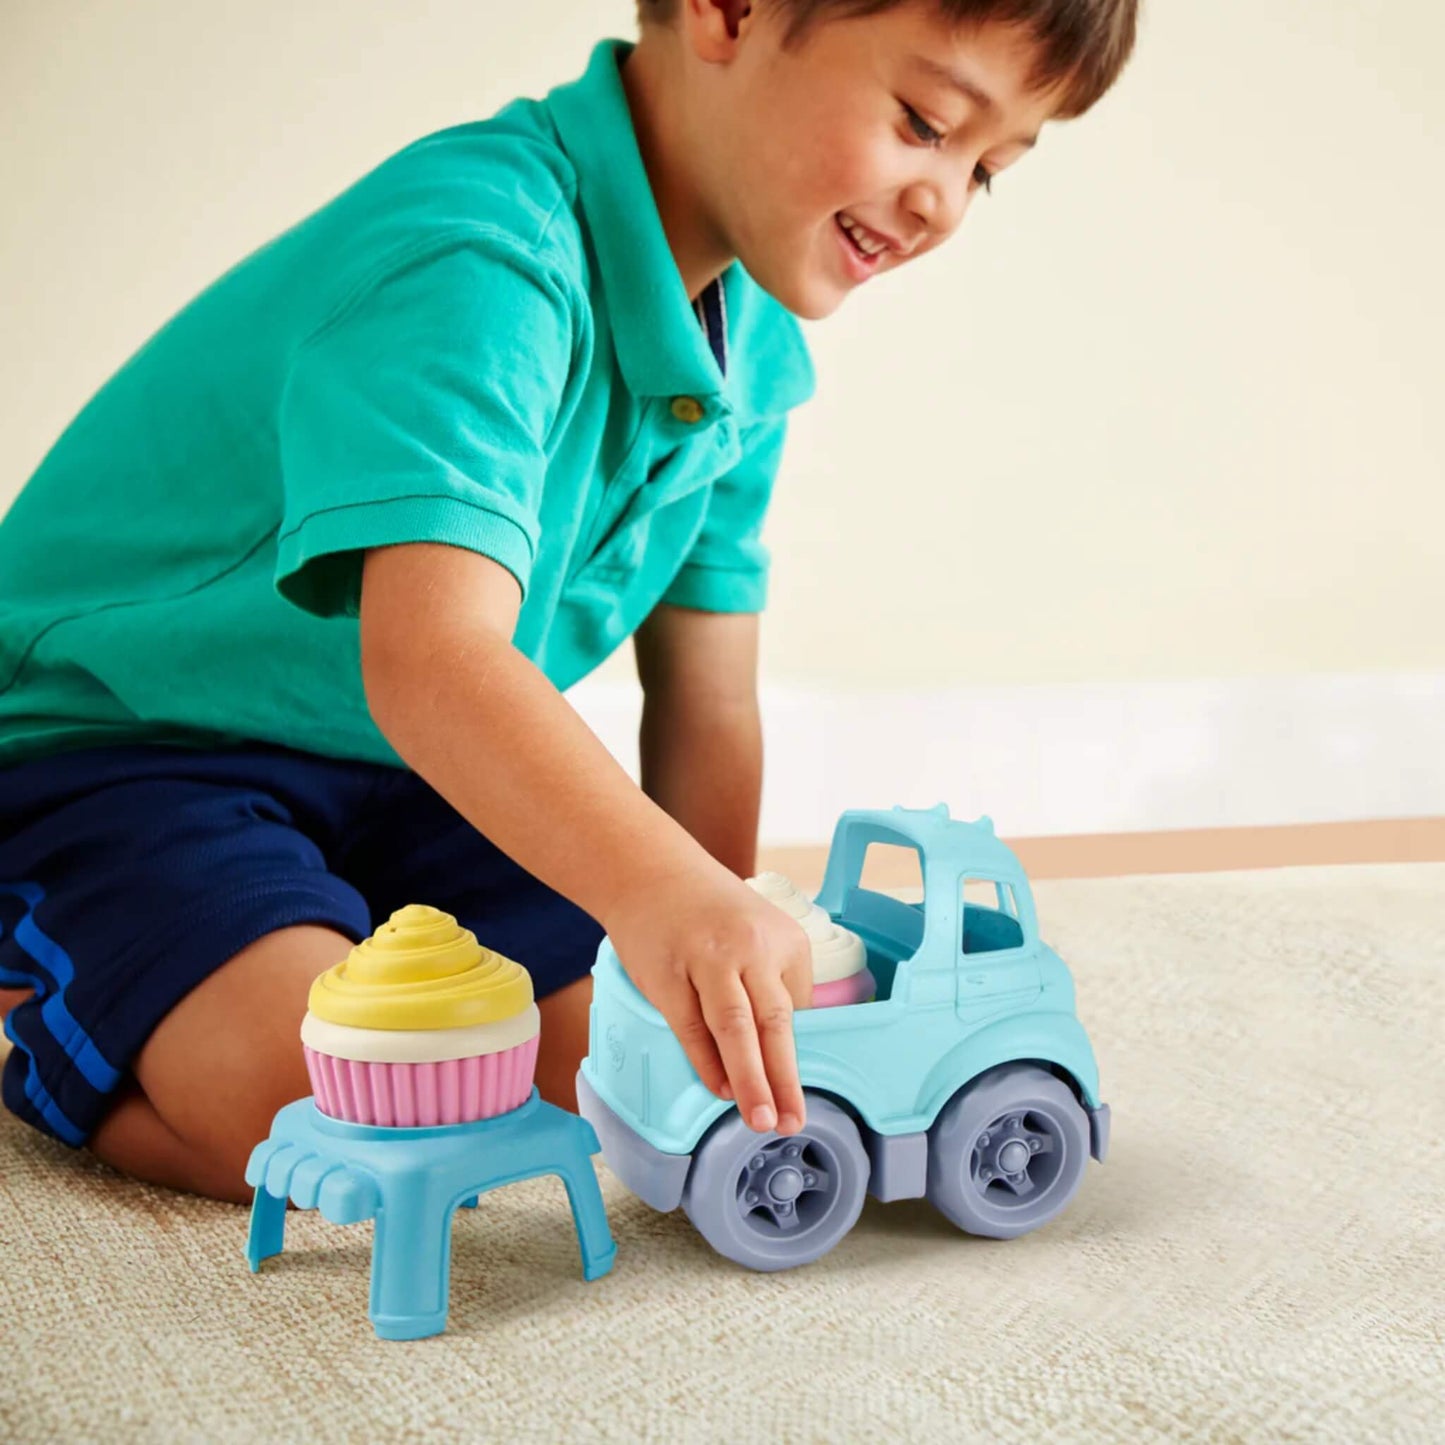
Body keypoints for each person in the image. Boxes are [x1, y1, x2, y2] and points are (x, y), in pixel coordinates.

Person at [0, 0, 1137, 1202]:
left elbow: (708, 697)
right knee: (320, 1115)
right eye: (924, 123)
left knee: (602, 1073)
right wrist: (661, 894)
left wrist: (708, 951)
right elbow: (430, 658)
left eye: (986, 170)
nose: (941, 202)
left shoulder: (750, 344)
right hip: (122, 745)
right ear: (729, 14)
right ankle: (44, 1016)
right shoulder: (480, 254)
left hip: (409, 770)